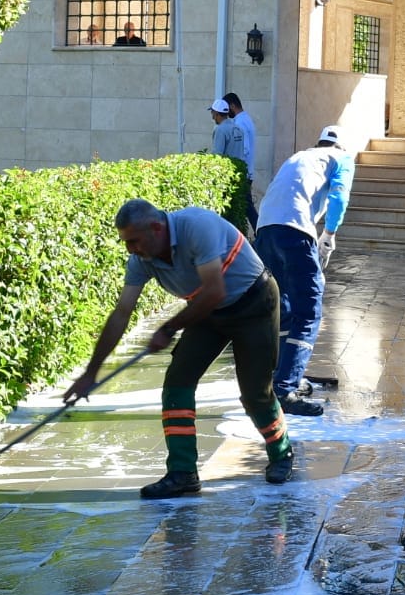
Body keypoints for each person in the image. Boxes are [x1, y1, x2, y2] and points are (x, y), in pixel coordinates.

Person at [63, 199, 295, 498]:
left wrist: (169, 328)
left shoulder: (197, 227)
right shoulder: (141, 260)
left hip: (254, 303)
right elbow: (121, 313)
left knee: (255, 392)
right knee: (177, 384)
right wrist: (90, 373)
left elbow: (214, 290)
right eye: (126, 242)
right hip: (208, 313)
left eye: (134, 241)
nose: (130, 249)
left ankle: (281, 454)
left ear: (157, 228)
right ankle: (183, 472)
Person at [253, 125, 355, 417]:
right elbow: (339, 198)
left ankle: (281, 375)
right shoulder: (342, 159)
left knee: (284, 310)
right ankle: (285, 388)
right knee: (309, 311)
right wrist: (329, 235)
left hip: (265, 230)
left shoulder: (301, 156)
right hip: (296, 230)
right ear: (342, 147)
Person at [225, 92, 257, 227]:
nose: (227, 112)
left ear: (232, 105)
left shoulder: (240, 123)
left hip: (243, 172)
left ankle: (261, 233)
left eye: (227, 108)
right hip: (248, 171)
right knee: (245, 206)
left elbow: (244, 148)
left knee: (246, 207)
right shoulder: (246, 119)